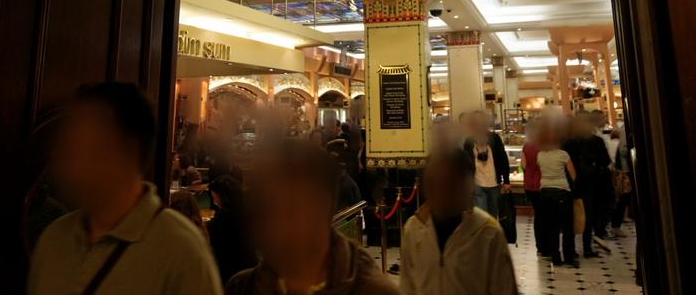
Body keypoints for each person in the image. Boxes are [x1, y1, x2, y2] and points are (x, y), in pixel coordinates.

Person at [28, 82, 221, 295]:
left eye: (82, 146)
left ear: (127, 152)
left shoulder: (181, 251)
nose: (65, 161)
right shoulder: (54, 238)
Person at [226, 140, 396, 295]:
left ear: (323, 206)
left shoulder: (372, 290)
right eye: (267, 210)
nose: (276, 228)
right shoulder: (242, 287)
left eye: (291, 210)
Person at [400, 148, 517, 295]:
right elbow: (407, 287)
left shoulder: (488, 233)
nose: (441, 193)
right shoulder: (414, 229)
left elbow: (504, 288)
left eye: (449, 184)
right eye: (434, 183)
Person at [564, 114, 613, 254]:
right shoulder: (596, 140)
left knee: (573, 214)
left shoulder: (568, 143)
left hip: (572, 183)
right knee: (589, 214)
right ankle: (587, 247)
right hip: (592, 183)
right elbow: (605, 161)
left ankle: (570, 250)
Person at [537, 121, 578, 267]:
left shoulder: (540, 155)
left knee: (552, 226)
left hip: (545, 192)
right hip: (562, 192)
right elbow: (573, 175)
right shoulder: (563, 154)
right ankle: (569, 256)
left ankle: (555, 257)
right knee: (567, 227)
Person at [207, 175, 258, 285]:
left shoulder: (223, 217)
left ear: (221, 196)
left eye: (214, 197)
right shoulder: (248, 211)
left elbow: (214, 242)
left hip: (229, 272)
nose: (214, 200)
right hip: (250, 267)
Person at [463, 111, 511, 216]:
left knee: (493, 214)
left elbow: (503, 158)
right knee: (482, 216)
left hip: (494, 182)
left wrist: (506, 180)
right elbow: (465, 164)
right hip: (477, 182)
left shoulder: (494, 138)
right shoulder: (469, 141)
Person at [519, 120, 545, 255]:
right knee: (544, 216)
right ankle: (546, 245)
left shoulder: (526, 146)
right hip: (543, 184)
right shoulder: (544, 146)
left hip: (529, 185)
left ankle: (539, 246)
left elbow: (523, 165)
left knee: (538, 215)